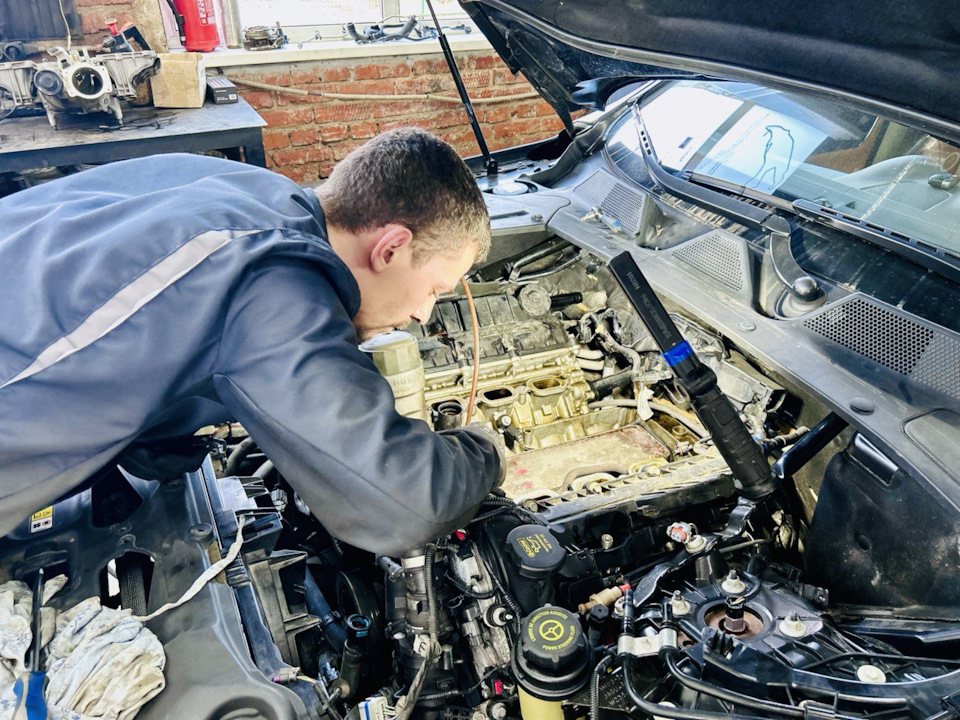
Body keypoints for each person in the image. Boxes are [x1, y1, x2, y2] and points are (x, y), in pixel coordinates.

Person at [0, 128, 503, 554]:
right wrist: (486, 451)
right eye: (434, 290)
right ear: (390, 248)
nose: (422, 315)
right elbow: (405, 504)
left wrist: (164, 430)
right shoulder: (274, 283)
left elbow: (136, 320)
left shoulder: (239, 187)